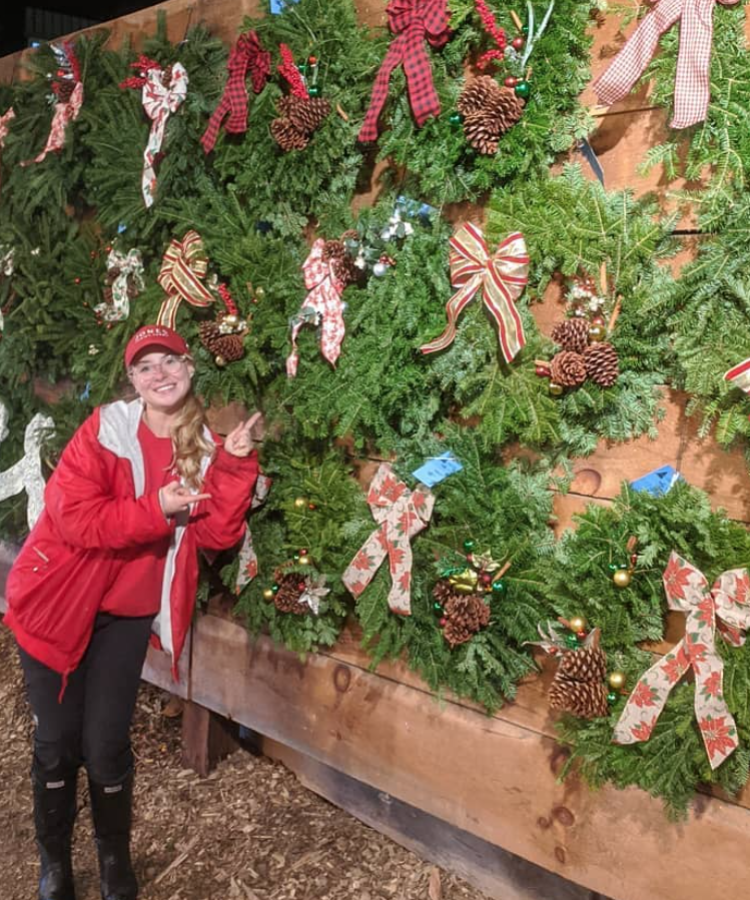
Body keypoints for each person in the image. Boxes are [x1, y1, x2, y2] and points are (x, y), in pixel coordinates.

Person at [4, 324, 261, 900]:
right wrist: (156, 509)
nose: (159, 374)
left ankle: (114, 861)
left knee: (105, 744)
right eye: (145, 367)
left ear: (190, 367)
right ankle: (55, 865)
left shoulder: (204, 449)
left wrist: (237, 466)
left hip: (124, 614)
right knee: (56, 744)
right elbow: (77, 521)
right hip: (57, 600)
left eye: (168, 362)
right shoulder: (105, 432)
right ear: (134, 383)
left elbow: (217, 534)